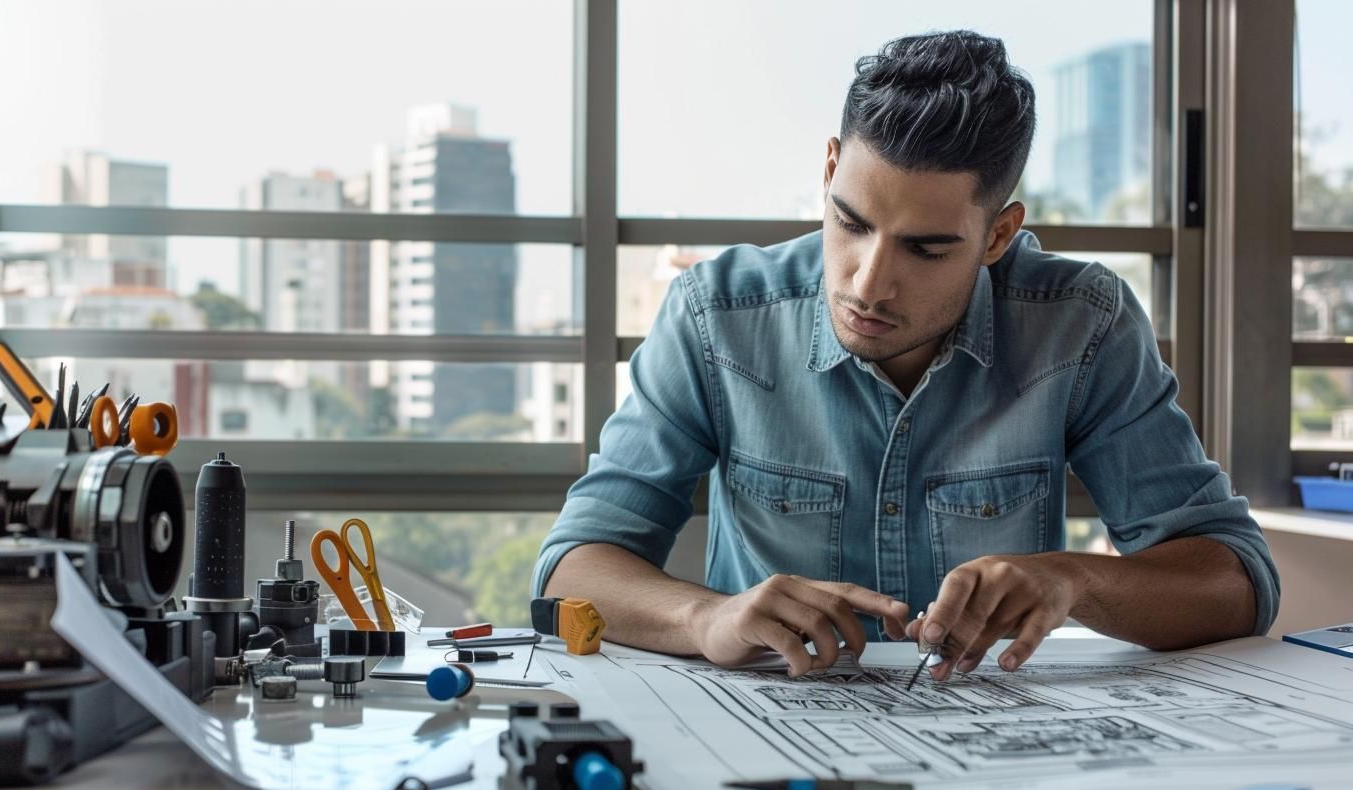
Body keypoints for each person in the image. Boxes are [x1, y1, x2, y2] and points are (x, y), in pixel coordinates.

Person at [532, 30, 1278, 681]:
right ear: (829, 172)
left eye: (925, 248)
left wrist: (1072, 580)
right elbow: (574, 567)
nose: (867, 283)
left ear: (997, 236)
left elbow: (1238, 582)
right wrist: (708, 620)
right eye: (850, 223)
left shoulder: (1080, 324)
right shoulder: (716, 316)